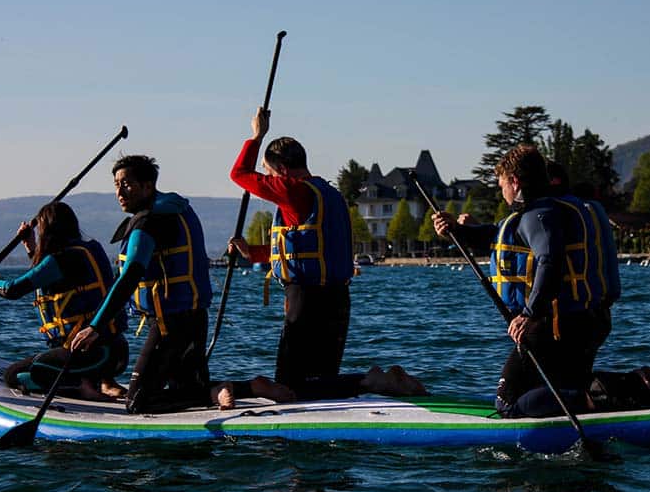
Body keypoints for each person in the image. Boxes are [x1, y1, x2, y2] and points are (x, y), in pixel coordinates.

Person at [70, 155, 294, 413]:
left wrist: (96, 325)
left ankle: (218, 391)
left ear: (147, 186)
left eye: (127, 184)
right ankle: (249, 387)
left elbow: (131, 273)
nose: (120, 192)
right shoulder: (179, 210)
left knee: (137, 403)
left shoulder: (148, 222)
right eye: (116, 185)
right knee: (185, 388)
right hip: (195, 319)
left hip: (169, 326)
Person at [229, 108, 426, 399]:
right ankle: (375, 381)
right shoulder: (329, 195)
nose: (268, 180)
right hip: (337, 299)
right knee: (321, 384)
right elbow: (310, 248)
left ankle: (370, 381)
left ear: (282, 170)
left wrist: (257, 136)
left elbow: (239, 174)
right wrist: (254, 253)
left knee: (289, 387)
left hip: (307, 299)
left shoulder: (293, 190)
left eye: (269, 172)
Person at [433, 145, 616, 418]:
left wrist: (528, 315)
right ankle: (630, 386)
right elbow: (498, 236)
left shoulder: (539, 215)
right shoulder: (541, 211)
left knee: (507, 404)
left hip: (553, 328)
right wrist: (457, 231)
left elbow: (549, 262)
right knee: (562, 387)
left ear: (515, 182)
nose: (502, 192)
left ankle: (612, 397)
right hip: (580, 321)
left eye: (502, 185)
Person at [0, 201, 128, 401]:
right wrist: (30, 245)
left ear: (47, 230)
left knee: (13, 375)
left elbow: (13, 290)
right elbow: (48, 276)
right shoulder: (91, 249)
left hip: (90, 355)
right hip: (115, 352)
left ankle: (80, 386)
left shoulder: (60, 258)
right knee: (51, 361)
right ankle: (102, 382)